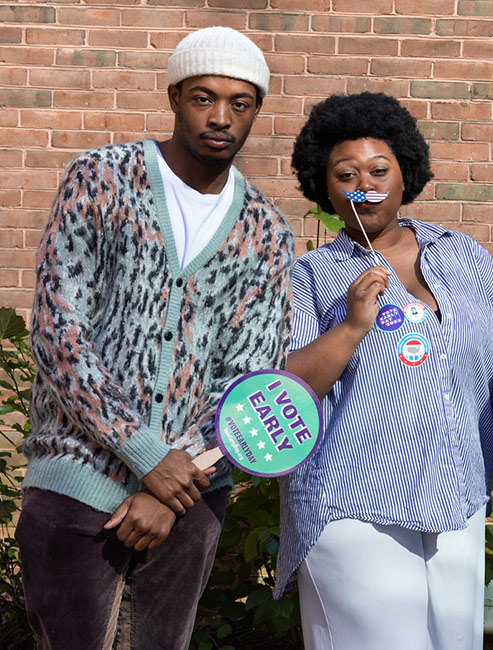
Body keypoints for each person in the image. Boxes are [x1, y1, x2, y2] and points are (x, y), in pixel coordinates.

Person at [16, 26, 293, 649]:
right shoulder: (100, 179)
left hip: (191, 499)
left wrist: (176, 486)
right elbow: (60, 332)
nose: (221, 117)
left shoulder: (267, 229)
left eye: (240, 103)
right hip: (76, 474)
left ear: (256, 111)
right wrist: (148, 457)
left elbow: (248, 375)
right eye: (203, 97)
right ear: (173, 97)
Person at [275, 92, 493, 650]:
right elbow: (282, 388)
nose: (365, 183)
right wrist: (351, 326)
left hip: (458, 492)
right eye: (345, 173)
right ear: (324, 187)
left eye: (380, 169)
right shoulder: (308, 276)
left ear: (407, 174)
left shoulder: (463, 255)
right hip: (353, 502)